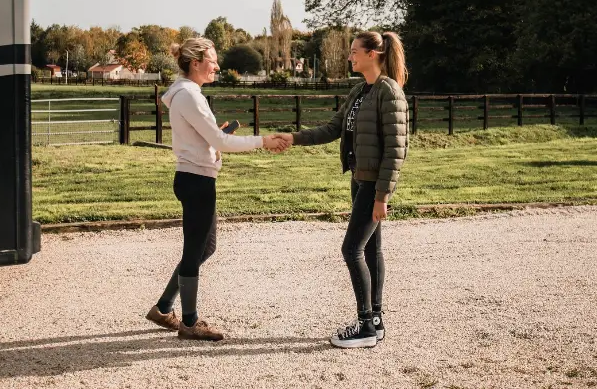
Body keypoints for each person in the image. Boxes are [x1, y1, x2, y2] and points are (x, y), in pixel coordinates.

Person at [145, 37, 288, 341]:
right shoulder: (189, 96)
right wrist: (262, 141)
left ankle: (163, 308)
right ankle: (189, 322)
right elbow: (221, 142)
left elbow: (209, 140)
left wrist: (215, 142)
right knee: (195, 249)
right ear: (195, 63)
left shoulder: (188, 94)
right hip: (195, 180)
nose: (217, 65)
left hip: (197, 177)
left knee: (204, 248)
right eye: (212, 59)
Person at [275, 31, 409, 348]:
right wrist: (292, 138)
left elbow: (396, 150)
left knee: (351, 250)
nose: (350, 56)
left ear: (373, 54)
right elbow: (332, 129)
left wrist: (382, 196)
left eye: (354, 51)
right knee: (371, 250)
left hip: (373, 183)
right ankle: (374, 322)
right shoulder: (360, 91)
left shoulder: (389, 92)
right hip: (359, 178)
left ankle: (364, 326)